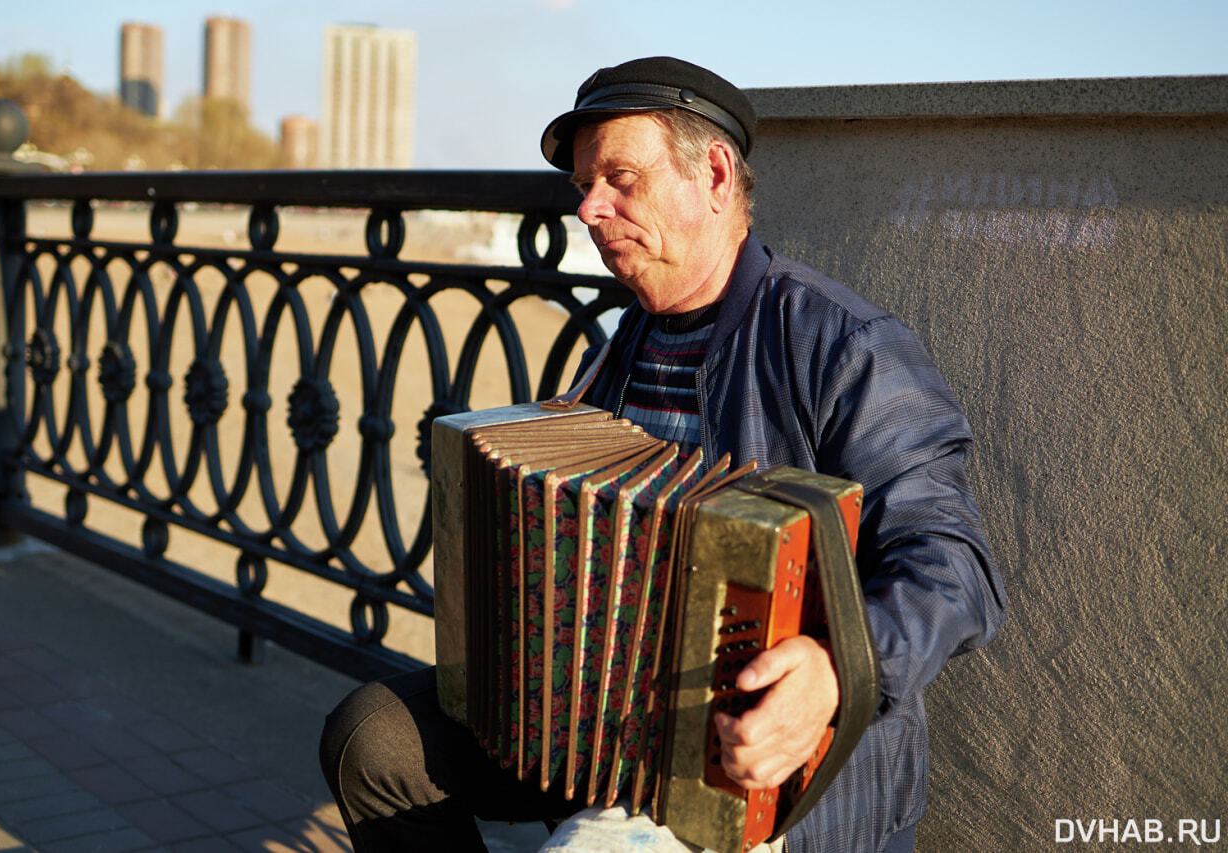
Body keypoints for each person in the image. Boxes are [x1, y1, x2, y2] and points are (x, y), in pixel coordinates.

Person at [320, 57, 1006, 853]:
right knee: (370, 739)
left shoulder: (845, 346)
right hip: (602, 721)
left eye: (619, 178)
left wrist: (836, 670)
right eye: (584, 186)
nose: (590, 207)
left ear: (713, 173)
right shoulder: (620, 348)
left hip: (767, 758)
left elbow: (957, 568)